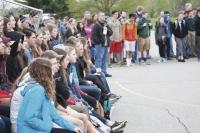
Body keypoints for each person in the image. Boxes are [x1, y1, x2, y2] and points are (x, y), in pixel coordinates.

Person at [16, 58, 81, 133]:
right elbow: (29, 118)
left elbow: (54, 115)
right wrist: (46, 126)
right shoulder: (37, 91)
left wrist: (73, 128)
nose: (53, 72)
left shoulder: (42, 89)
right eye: (51, 69)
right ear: (45, 72)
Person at [92, 12, 113, 77]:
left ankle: (104, 72)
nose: (103, 17)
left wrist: (106, 28)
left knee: (104, 59)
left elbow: (111, 32)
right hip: (100, 44)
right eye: (101, 15)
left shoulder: (105, 24)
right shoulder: (96, 25)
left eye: (104, 15)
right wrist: (99, 42)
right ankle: (98, 72)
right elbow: (94, 36)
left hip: (106, 44)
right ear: (98, 17)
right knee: (99, 58)